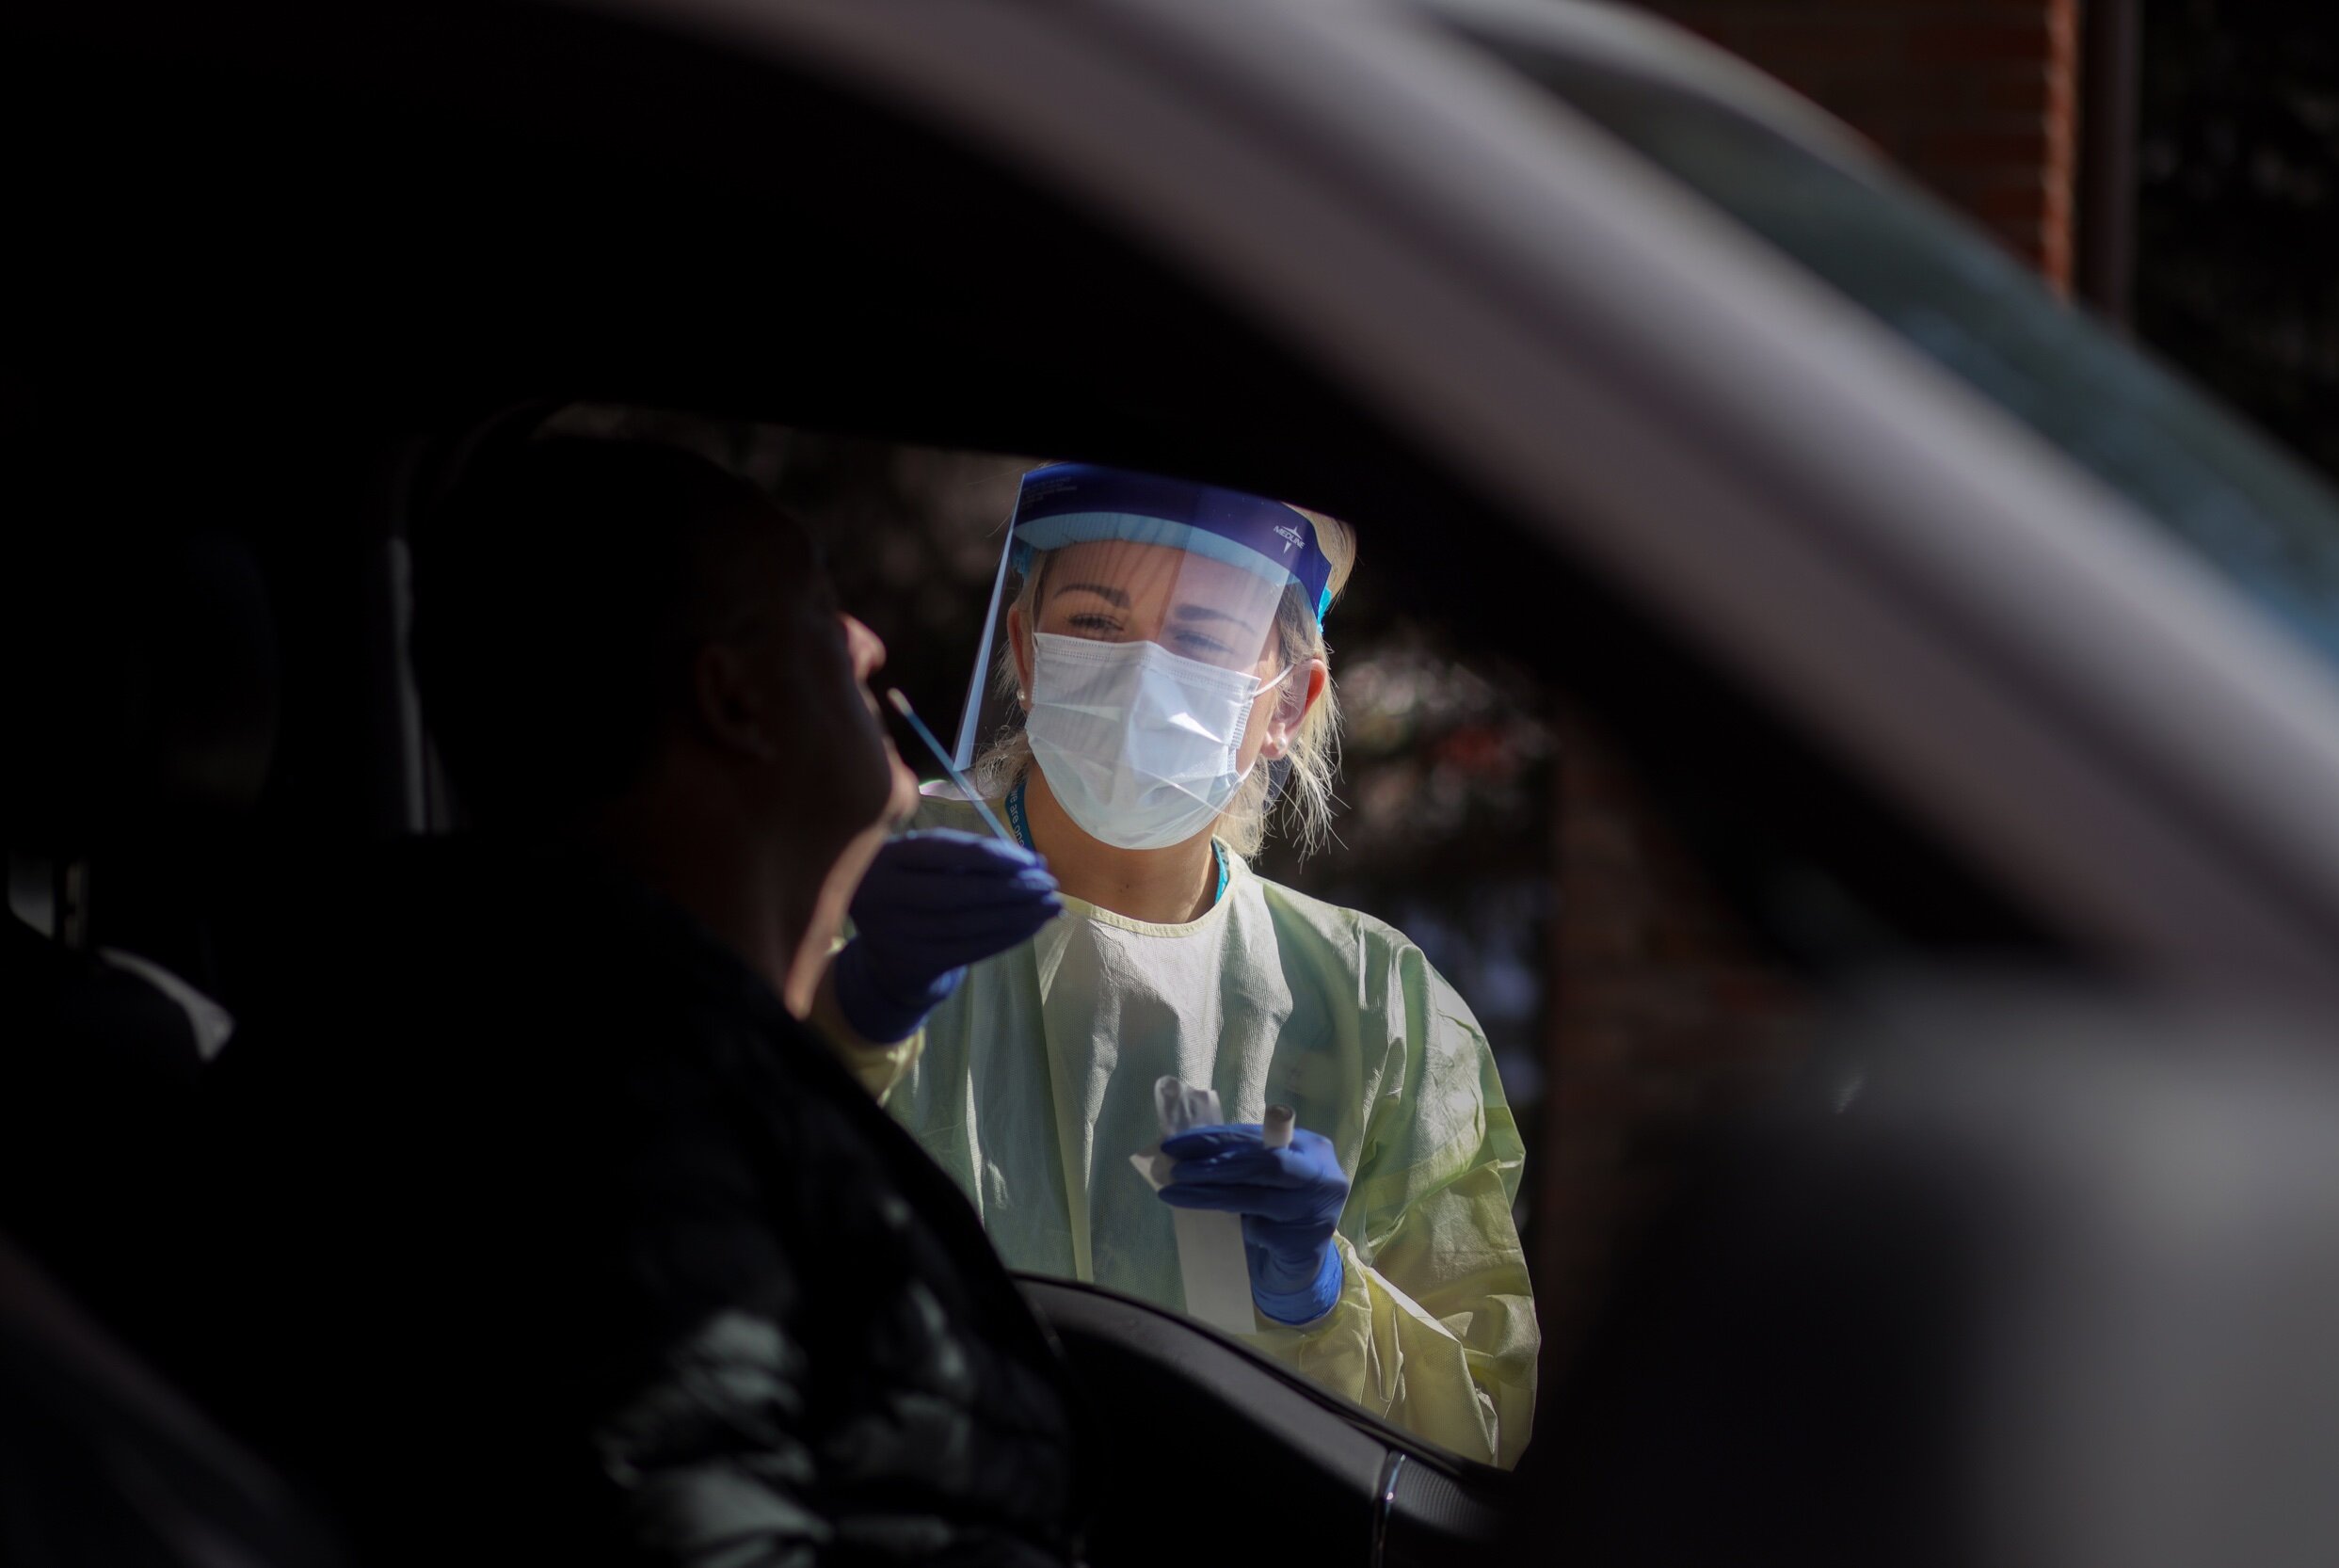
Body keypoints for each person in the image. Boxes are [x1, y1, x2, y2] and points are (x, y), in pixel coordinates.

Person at [165, 438, 1084, 1566]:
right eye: (819, 602)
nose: (869, 642)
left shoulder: (638, 1049)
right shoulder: (588, 1100)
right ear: (732, 696)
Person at [825, 462, 1539, 1467]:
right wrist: (845, 1021)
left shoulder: (1383, 1007)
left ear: (1289, 701)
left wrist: (1318, 1297)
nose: (1143, 671)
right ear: (1027, 650)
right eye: (1097, 621)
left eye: (1203, 639)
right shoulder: (855, 878)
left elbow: (1480, 1431)